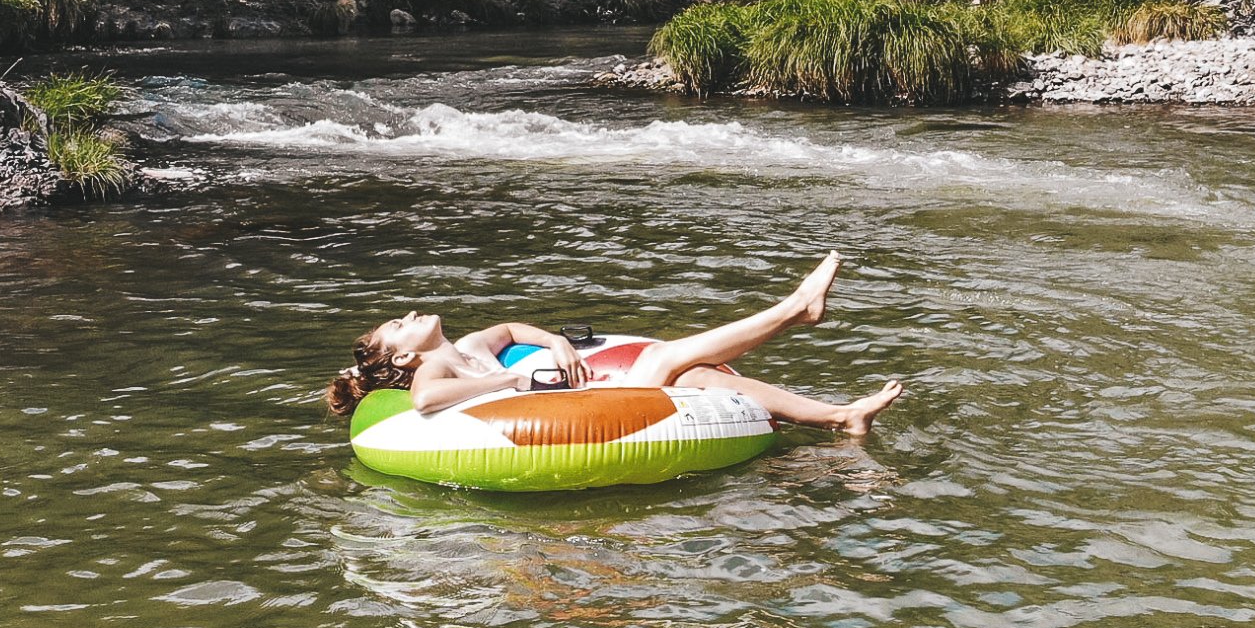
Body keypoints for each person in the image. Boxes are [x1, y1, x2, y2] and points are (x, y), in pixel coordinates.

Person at [325, 252, 904, 439]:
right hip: (581, 411)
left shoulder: (472, 341)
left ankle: (842, 416)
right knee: (662, 359)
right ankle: (794, 310)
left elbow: (513, 330)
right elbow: (427, 403)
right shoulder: (432, 372)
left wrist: (554, 342)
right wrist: (510, 380)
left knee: (703, 376)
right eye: (398, 325)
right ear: (402, 357)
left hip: (586, 388)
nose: (409, 315)